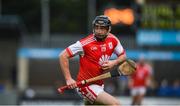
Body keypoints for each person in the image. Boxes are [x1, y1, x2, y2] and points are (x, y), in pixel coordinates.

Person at [59, 15, 126, 105]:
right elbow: (63, 55)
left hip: (99, 84)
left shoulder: (113, 40)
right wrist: (68, 79)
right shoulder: (84, 44)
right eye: (96, 28)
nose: (98, 31)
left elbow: (123, 56)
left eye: (102, 28)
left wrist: (114, 62)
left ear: (108, 29)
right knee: (116, 104)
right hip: (86, 86)